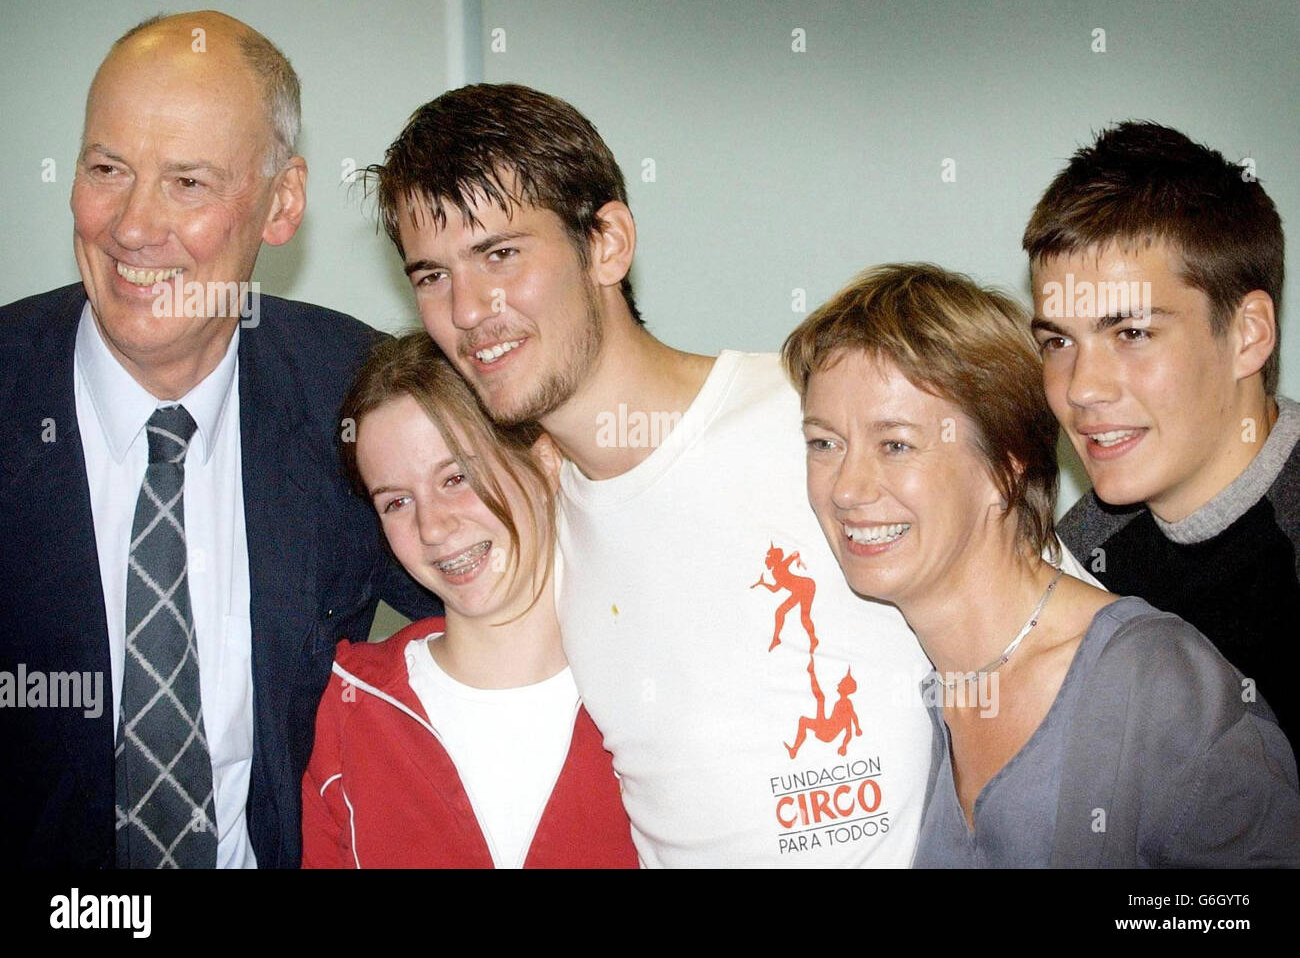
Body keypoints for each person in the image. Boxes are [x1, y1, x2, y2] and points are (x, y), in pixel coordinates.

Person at [368, 84, 1095, 865]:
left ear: (608, 242)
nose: (469, 310)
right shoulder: (533, 525)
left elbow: (1073, 660)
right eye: (431, 276)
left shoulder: (817, 422)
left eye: (500, 254)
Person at [0, 12, 439, 869]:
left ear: (281, 203)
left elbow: (505, 610)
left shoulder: (356, 395)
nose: (132, 226)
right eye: (107, 169)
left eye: (188, 183)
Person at [782, 261, 1300, 866]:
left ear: (1005, 467)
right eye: (824, 443)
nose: (846, 488)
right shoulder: (897, 690)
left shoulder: (1152, 681)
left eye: (896, 444)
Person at [302, 333, 637, 868]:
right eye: (396, 502)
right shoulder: (353, 704)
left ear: (547, 462)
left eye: (456, 477)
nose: (432, 527)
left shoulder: (653, 685)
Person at [1023, 121, 1299, 748]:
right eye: (1058, 342)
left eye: (1133, 334)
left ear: (1248, 334)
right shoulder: (1076, 559)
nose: (1082, 388)